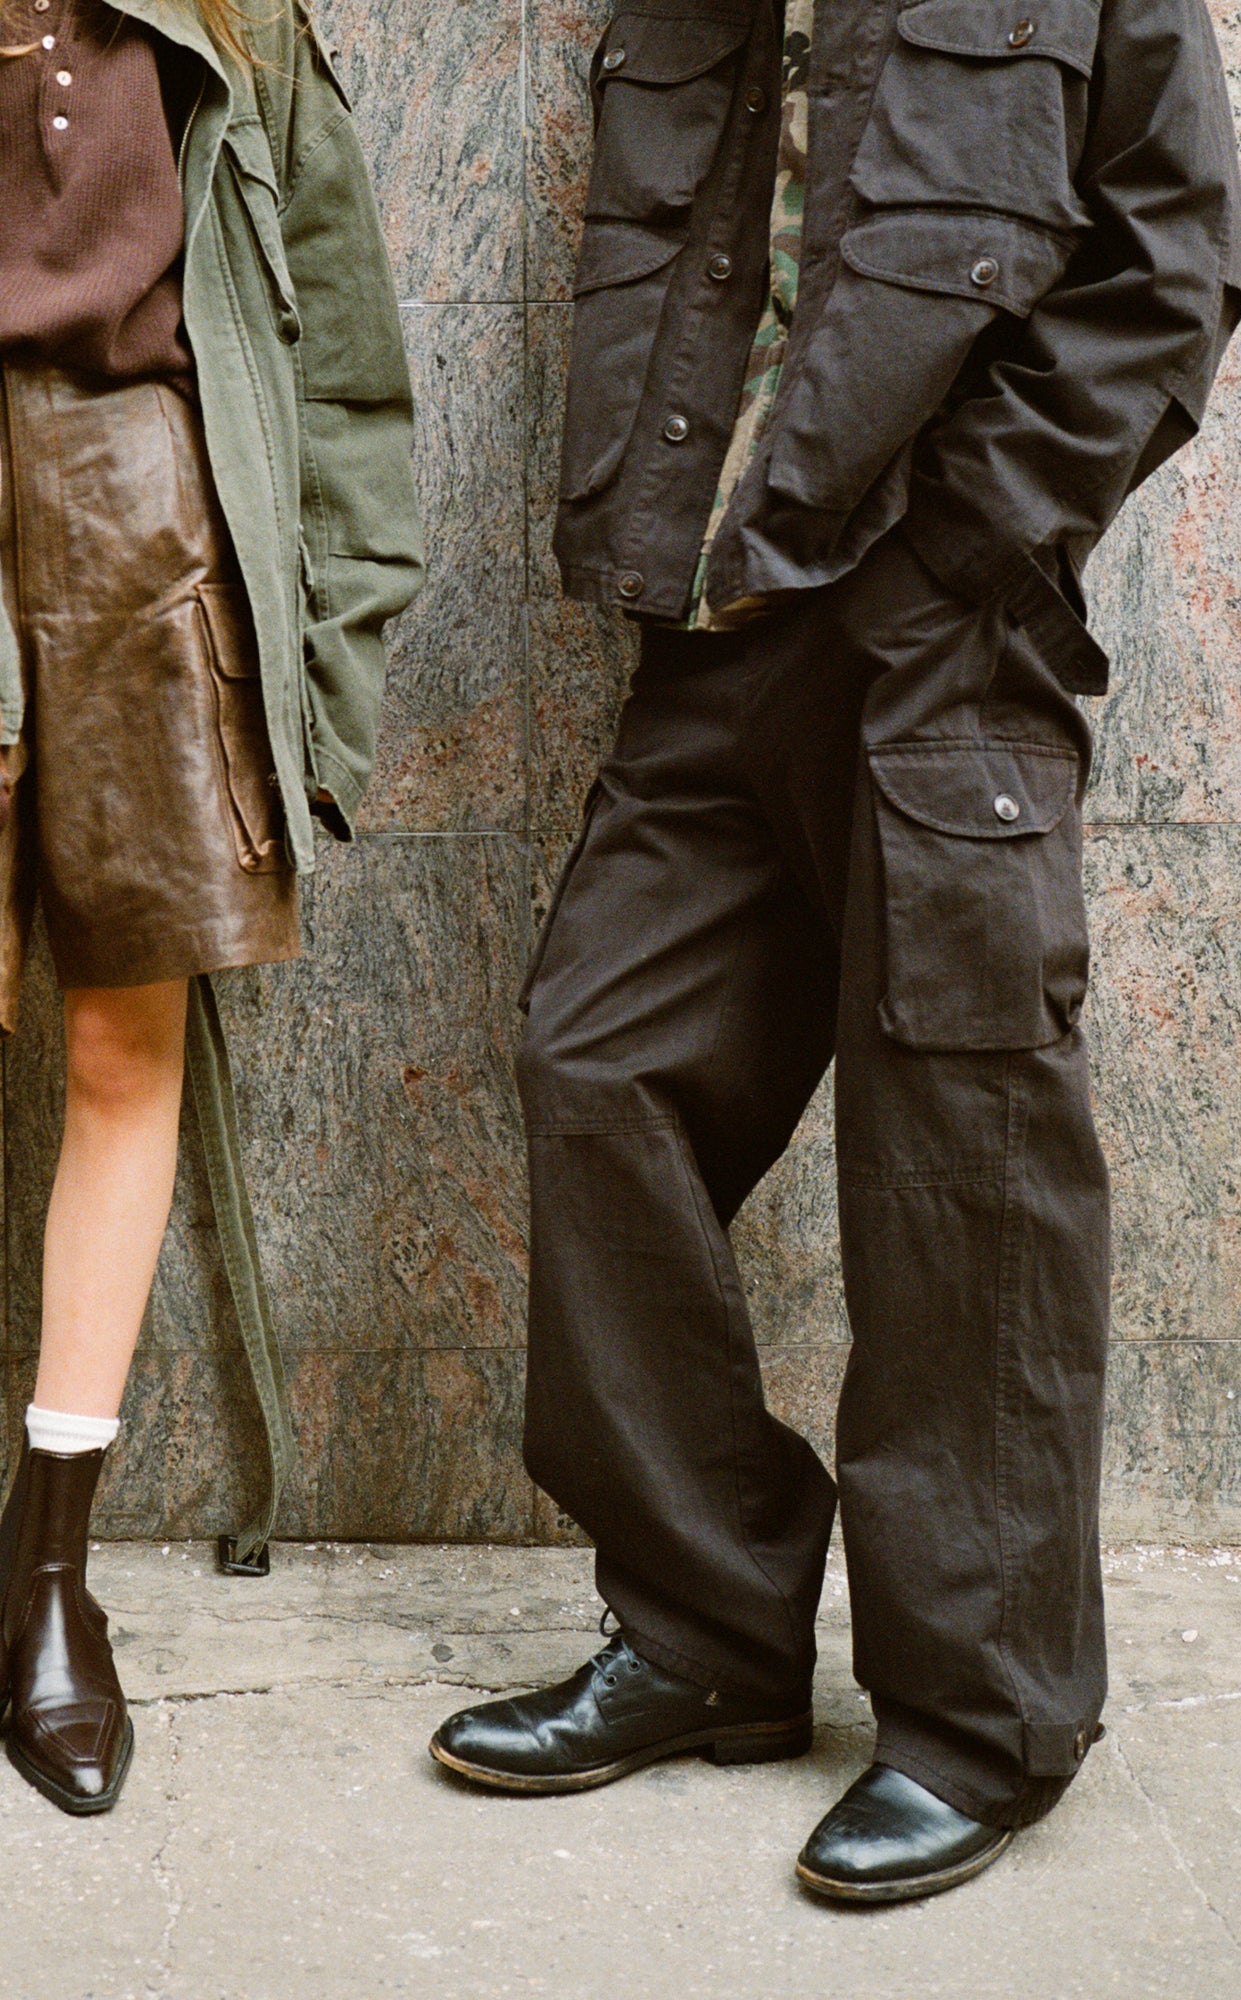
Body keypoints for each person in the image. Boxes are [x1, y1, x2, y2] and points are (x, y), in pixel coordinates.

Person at [433, 0, 1241, 1902]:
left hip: (943, 646)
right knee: (596, 1064)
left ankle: (984, 1721)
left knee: (962, 1165)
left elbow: (1178, 258)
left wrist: (975, 533)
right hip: (711, 639)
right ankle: (709, 1633)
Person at [0, 0, 421, 1814]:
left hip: (148, 524)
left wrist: (328, 672)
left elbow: (344, 362)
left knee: (120, 1047)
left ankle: (45, 1581)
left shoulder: (229, 20)